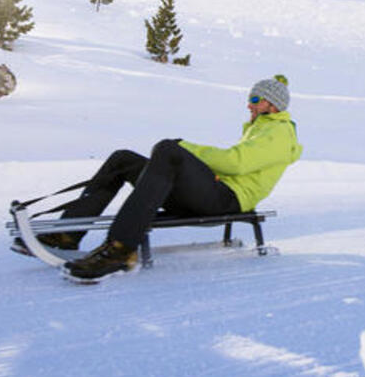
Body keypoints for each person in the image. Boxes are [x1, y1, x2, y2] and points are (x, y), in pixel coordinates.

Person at [35, 75, 302, 281]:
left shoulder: (279, 133)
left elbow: (237, 162)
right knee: (123, 159)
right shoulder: (262, 130)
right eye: (250, 99)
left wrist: (187, 147)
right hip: (213, 192)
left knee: (169, 149)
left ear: (272, 104)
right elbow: (238, 163)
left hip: (227, 200)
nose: (249, 105)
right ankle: (67, 234)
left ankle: (120, 249)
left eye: (255, 100)